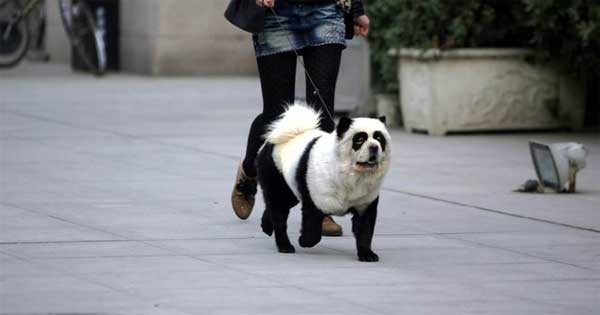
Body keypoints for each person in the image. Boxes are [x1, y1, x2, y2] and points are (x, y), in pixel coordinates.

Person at [231, 0, 370, 236]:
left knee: (322, 114)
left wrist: (356, 8)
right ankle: (249, 170)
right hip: (276, 14)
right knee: (277, 115)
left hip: (326, 11)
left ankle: (320, 205)